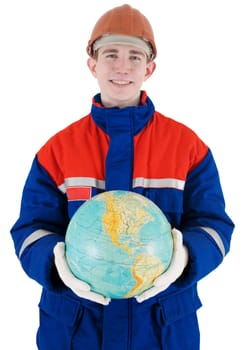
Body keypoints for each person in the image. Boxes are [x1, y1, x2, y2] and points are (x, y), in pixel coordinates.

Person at [10, 4, 234, 350]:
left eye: (134, 56)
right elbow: (30, 228)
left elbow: (214, 225)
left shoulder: (189, 148)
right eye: (110, 54)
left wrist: (187, 257)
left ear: (150, 67)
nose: (122, 67)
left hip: (162, 329)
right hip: (75, 329)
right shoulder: (57, 151)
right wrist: (54, 264)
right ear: (92, 64)